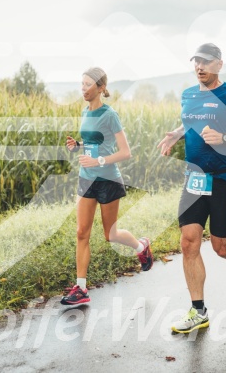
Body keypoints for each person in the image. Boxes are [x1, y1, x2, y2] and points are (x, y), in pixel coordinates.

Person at [157, 43, 226, 333]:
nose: (200, 67)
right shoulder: (188, 95)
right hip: (194, 178)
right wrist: (177, 135)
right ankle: (198, 311)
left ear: (219, 64)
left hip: (224, 179)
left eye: (206, 62)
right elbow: (192, 121)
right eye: (196, 62)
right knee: (188, 241)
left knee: (221, 247)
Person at [61, 67, 153, 305]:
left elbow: (125, 152)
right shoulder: (84, 111)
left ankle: (140, 246)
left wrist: (98, 160)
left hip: (108, 180)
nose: (83, 89)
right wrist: (78, 146)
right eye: (81, 84)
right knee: (82, 233)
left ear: (101, 87)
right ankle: (81, 289)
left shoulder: (110, 114)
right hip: (86, 178)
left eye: (88, 84)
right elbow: (94, 143)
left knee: (109, 235)